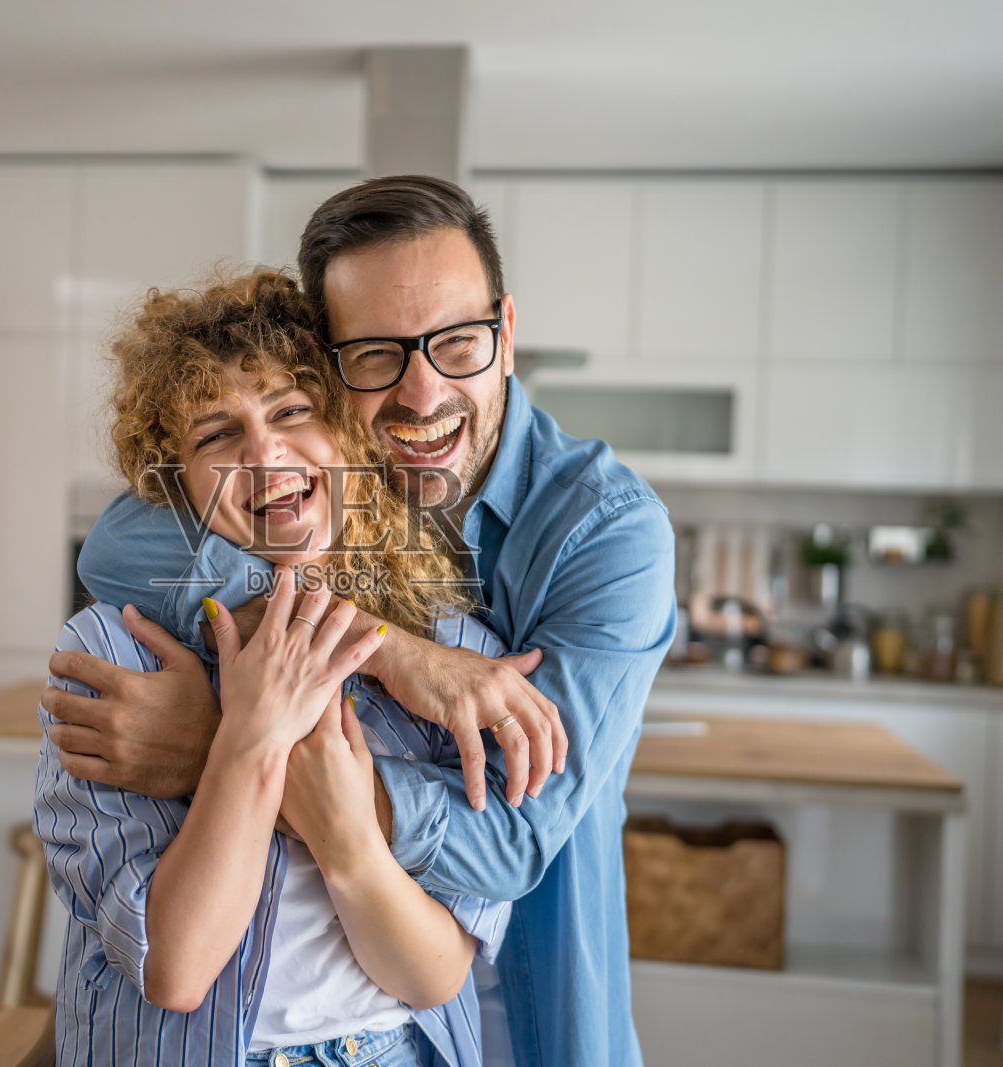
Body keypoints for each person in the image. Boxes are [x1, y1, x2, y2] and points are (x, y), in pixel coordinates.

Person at [46, 176, 678, 1067]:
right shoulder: (326, 474)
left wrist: (226, 745)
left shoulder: (604, 529)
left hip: (525, 1013)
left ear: (505, 335)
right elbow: (119, 537)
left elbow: (508, 840)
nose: (421, 394)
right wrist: (384, 649)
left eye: (457, 342)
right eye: (378, 354)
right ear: (332, 369)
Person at [35, 270, 511, 1067]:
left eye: (292, 410)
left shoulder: (453, 661)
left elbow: (431, 975)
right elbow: (175, 966)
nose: (263, 453)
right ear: (175, 487)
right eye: (215, 434)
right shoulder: (113, 655)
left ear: (350, 434)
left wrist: (345, 835)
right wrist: (251, 735)